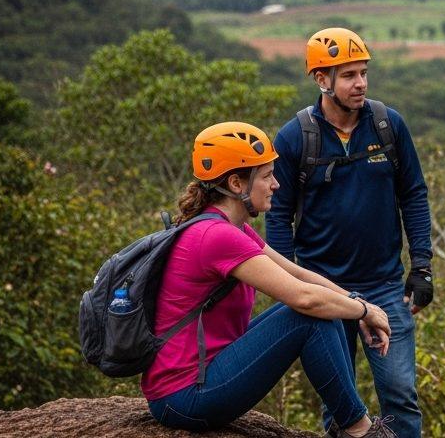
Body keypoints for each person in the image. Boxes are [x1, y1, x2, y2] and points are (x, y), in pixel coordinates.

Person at [143, 121, 394, 437]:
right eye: (266, 176)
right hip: (185, 394)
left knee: (326, 307)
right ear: (236, 183)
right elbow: (304, 298)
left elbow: (300, 275)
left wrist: (358, 304)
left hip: (201, 375)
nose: (276, 184)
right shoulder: (216, 236)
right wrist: (365, 312)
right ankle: (359, 430)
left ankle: (351, 426)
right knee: (308, 316)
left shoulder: (230, 228)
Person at [265, 27, 434, 438]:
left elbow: (413, 194)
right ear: (322, 80)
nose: (360, 83)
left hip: (384, 286)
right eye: (348, 75)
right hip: (325, 291)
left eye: (363, 73)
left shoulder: (387, 126)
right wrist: (288, 283)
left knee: (399, 395)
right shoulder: (295, 138)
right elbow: (277, 215)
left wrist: (422, 266)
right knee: (339, 403)